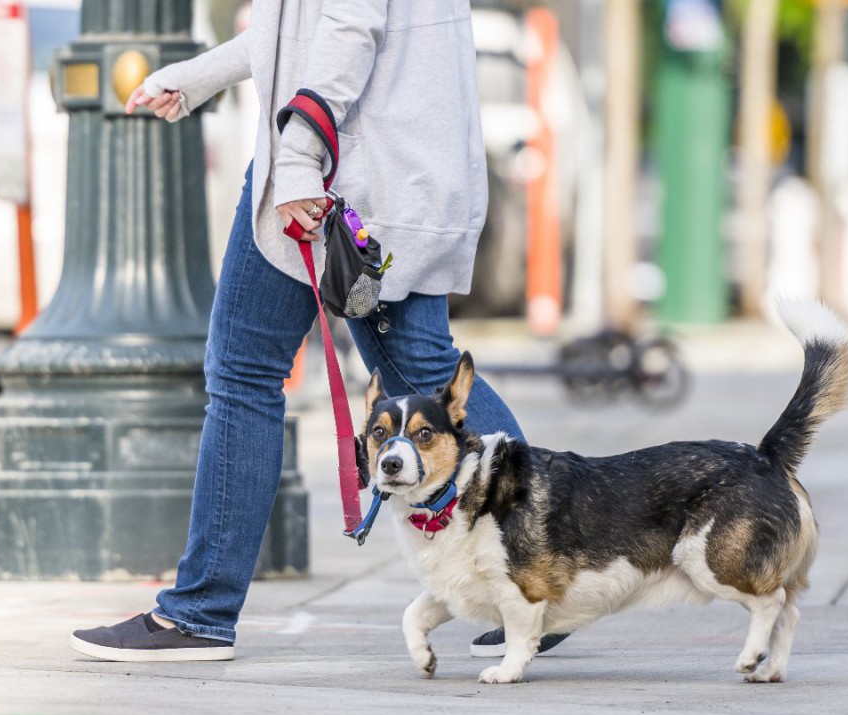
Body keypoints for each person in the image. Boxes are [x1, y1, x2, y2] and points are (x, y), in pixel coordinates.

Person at [70, 0, 567, 662]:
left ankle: (200, 611)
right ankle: (542, 578)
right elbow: (299, 28)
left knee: (245, 369)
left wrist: (298, 159)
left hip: (336, 172)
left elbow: (347, 25)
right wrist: (199, 75)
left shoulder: (309, 153)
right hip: (396, 169)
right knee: (425, 369)